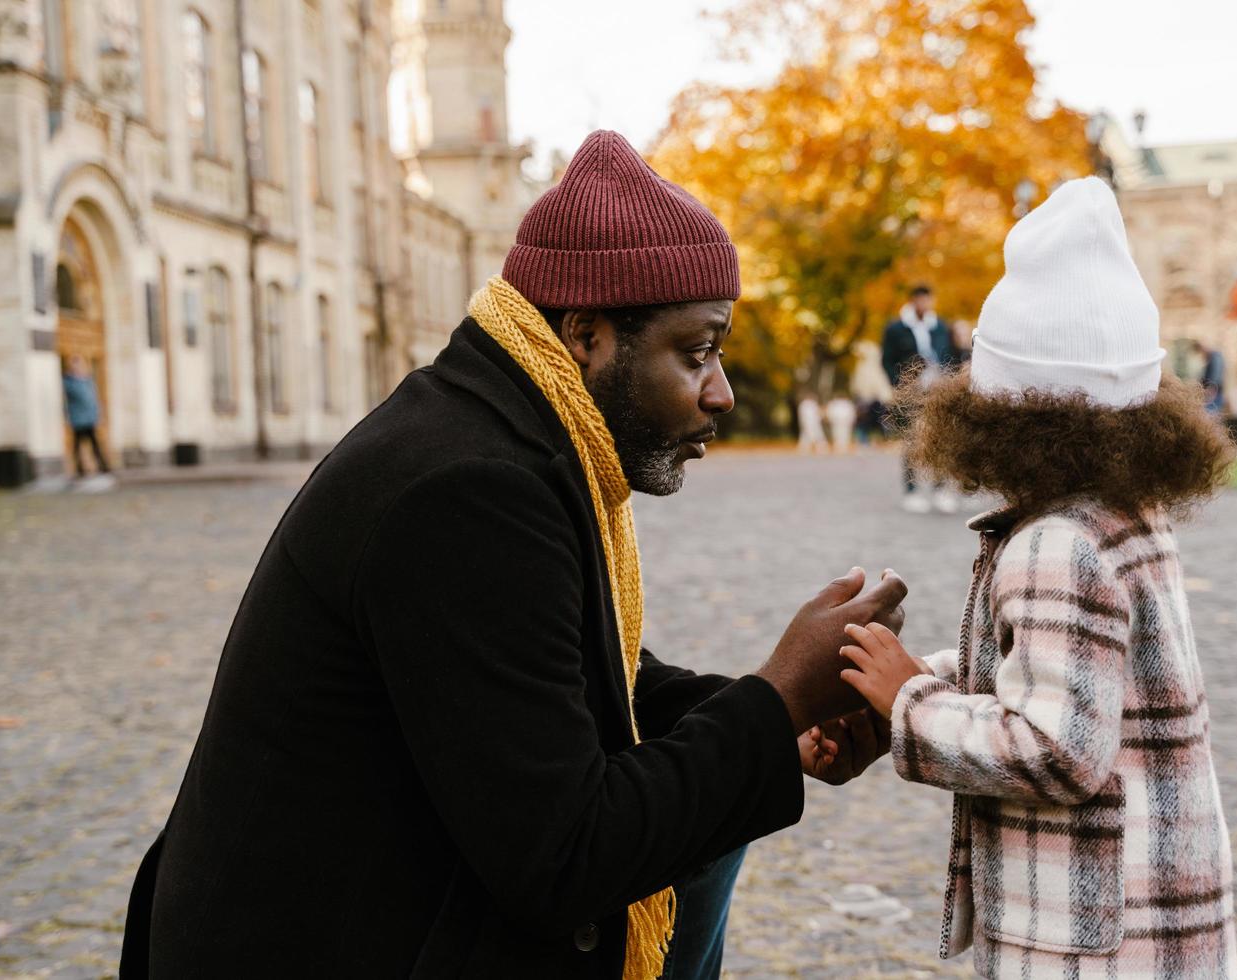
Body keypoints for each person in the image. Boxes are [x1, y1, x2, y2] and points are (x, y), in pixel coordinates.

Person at [119, 130, 907, 980]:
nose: (719, 392)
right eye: (697, 351)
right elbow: (565, 856)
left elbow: (580, 683)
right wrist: (777, 694)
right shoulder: (468, 487)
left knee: (705, 822)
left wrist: (783, 719)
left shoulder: (503, 431)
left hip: (373, 913)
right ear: (586, 335)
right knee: (673, 840)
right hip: (315, 946)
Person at [837, 178, 1237, 978]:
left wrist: (910, 703)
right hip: (1149, 918)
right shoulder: (1124, 513)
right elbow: (1069, 681)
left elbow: (1058, 750)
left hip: (1091, 942)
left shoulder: (1058, 544)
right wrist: (924, 678)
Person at [882, 284, 961, 513]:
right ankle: (912, 490)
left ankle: (940, 489)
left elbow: (950, 356)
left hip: (938, 389)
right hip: (911, 390)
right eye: (920, 300)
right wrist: (899, 384)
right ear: (913, 300)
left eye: (928, 300)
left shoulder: (940, 327)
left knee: (941, 438)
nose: (924, 304)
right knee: (911, 440)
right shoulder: (896, 329)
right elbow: (886, 360)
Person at [62, 355, 110, 476]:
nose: (77, 367)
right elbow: (77, 397)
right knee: (77, 445)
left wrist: (99, 413)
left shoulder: (87, 380)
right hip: (77, 418)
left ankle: (103, 465)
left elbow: (93, 398)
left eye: (79, 364)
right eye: (75, 364)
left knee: (95, 443)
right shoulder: (68, 381)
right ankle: (79, 468)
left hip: (90, 417)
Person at [1193, 339, 1226, 415]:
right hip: (1213, 392)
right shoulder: (1213, 357)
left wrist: (1210, 389)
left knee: (1211, 414)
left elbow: (1215, 377)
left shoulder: (1215, 357)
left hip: (1213, 393)